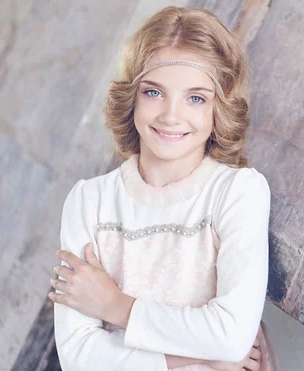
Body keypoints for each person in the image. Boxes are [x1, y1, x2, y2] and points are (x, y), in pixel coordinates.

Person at [48, 6, 275, 371]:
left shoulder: (238, 192)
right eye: (154, 92)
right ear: (132, 96)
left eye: (196, 98)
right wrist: (189, 355)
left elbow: (231, 336)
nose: (171, 115)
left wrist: (115, 307)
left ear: (220, 107)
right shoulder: (89, 201)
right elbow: (78, 358)